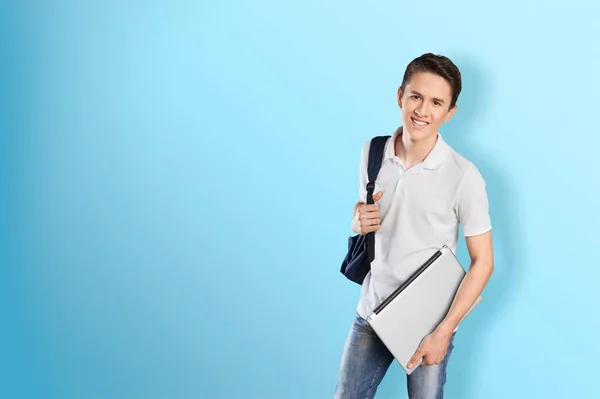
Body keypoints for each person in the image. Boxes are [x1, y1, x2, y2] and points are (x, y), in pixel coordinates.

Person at [333, 53, 494, 399]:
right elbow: (366, 213)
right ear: (399, 96)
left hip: (429, 321)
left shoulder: (463, 176)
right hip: (372, 310)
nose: (423, 110)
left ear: (450, 112)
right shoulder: (372, 151)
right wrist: (357, 217)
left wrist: (445, 331)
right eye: (416, 97)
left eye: (436, 102)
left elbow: (484, 261)